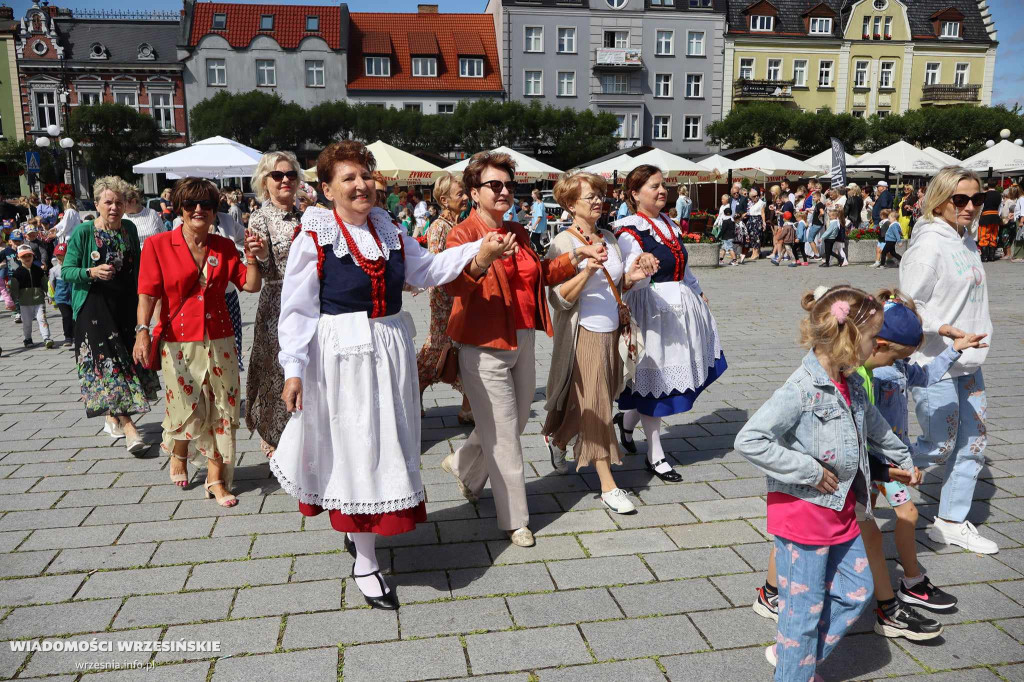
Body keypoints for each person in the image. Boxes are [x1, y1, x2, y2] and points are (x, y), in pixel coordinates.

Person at [271, 141, 515, 608]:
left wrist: (475, 252)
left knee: (388, 444)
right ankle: (365, 559)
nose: (361, 184)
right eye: (348, 178)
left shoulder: (390, 231)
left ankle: (365, 538)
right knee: (358, 449)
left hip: (389, 351)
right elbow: (296, 310)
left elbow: (426, 271)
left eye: (365, 175)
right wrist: (293, 369)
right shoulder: (315, 237)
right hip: (343, 357)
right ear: (326, 189)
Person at [735, 285, 906, 681]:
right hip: (804, 518)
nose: (877, 343)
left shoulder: (851, 381)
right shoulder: (800, 389)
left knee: (857, 589)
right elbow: (750, 439)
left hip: (840, 510)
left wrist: (900, 458)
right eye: (871, 337)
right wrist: (808, 470)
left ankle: (798, 659)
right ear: (848, 338)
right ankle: (796, 666)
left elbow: (873, 427)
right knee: (802, 615)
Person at [440, 151, 605, 548]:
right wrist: (483, 258)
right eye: (494, 185)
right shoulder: (461, 233)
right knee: (505, 437)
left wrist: (576, 257)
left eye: (508, 185)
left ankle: (464, 464)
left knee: (511, 425)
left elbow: (542, 274)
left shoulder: (519, 228)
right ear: (474, 192)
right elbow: (453, 287)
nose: (503, 191)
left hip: (523, 336)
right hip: (483, 344)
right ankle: (516, 519)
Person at [135, 177, 267, 505]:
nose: (198, 210)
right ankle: (179, 450)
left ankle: (215, 478)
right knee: (187, 408)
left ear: (214, 211)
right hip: (177, 340)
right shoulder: (158, 245)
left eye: (206, 205)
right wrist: (141, 330)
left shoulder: (222, 246)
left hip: (220, 338)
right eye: (191, 205)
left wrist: (252, 257)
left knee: (223, 409)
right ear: (179, 209)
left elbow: (250, 286)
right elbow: (148, 293)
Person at [542, 171, 659, 514]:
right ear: (569, 203)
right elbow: (559, 299)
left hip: (612, 333)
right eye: (589, 197)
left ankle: (558, 437)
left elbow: (616, 287)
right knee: (599, 407)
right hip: (584, 335)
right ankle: (608, 483)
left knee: (599, 398)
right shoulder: (563, 243)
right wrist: (587, 269)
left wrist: (633, 277)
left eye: (599, 195)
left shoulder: (609, 235)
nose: (597, 201)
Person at [900, 166, 997, 554]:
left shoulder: (967, 242)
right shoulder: (928, 246)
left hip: (970, 361)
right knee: (939, 444)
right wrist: (944, 329)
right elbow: (907, 305)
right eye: (961, 199)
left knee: (973, 442)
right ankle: (869, 470)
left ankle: (952, 520)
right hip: (934, 361)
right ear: (939, 201)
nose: (971, 206)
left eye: (978, 199)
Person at [611, 164, 726, 484]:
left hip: (679, 310)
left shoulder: (668, 224)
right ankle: (656, 454)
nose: (662, 191)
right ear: (634, 194)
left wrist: (699, 292)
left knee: (653, 383)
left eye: (663, 185)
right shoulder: (628, 230)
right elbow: (626, 277)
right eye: (653, 186)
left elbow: (684, 268)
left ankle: (626, 422)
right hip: (651, 311)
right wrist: (640, 268)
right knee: (655, 381)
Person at [63, 176, 159, 454]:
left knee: (128, 364)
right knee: (110, 369)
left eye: (119, 202)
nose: (115, 207)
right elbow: (68, 271)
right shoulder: (84, 232)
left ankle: (112, 416)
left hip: (126, 308)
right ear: (97, 204)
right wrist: (90, 272)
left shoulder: (128, 229)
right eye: (108, 202)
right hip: (93, 309)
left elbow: (139, 270)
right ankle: (131, 429)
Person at [244, 151, 305, 459]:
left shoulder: (310, 214)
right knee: (275, 371)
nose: (285, 180)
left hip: (312, 302)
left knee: (307, 369)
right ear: (264, 182)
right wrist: (264, 255)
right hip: (278, 303)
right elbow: (259, 275)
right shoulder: (259, 218)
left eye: (290, 175)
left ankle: (303, 431)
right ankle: (272, 435)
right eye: (277, 176)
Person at [416, 171, 475, 425]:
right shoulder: (439, 227)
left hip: (459, 299)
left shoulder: (457, 225)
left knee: (453, 351)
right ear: (443, 199)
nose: (464, 198)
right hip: (445, 300)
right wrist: (445, 300)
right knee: (442, 350)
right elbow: (436, 266)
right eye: (459, 194)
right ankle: (415, 392)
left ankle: (467, 406)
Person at [10, 244, 52, 349]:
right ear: (18, 258)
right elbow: (14, 289)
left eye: (29, 255)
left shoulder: (38, 270)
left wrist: (50, 295)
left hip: (39, 300)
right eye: (24, 256)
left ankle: (46, 338)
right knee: (27, 322)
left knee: (42, 319)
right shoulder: (17, 273)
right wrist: (13, 301)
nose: (27, 258)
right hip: (24, 302)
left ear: (33, 256)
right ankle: (27, 338)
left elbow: (45, 284)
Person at [49, 242, 73, 347]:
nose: (61, 260)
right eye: (59, 257)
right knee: (66, 316)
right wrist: (51, 297)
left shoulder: (73, 267)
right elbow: (51, 284)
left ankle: (76, 335)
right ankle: (68, 337)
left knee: (75, 316)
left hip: (73, 297)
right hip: (61, 297)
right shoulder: (54, 270)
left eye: (63, 257)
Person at [977, 181, 1002, 262]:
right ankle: (991, 256)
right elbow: (1000, 207)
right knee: (993, 235)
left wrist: (979, 216)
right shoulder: (999, 195)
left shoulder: (985, 194)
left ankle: (984, 257)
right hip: (995, 216)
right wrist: (998, 215)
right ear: (996, 185)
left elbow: (981, 206)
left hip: (985, 216)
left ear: (988, 185)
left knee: (984, 235)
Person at [529, 189, 548, 254]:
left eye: (532, 194)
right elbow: (535, 213)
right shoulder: (536, 203)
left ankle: (541, 251)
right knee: (535, 239)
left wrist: (534, 225)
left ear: (536, 195)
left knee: (533, 239)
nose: (531, 195)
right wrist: (531, 221)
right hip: (536, 225)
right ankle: (541, 251)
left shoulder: (540, 204)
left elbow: (540, 216)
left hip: (538, 225)